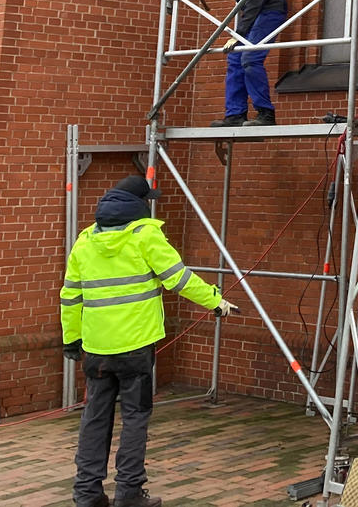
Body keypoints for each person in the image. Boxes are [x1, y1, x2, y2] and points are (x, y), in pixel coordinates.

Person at [60, 175, 239, 507]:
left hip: (96, 350)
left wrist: (71, 340)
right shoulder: (146, 236)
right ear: (139, 205)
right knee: (135, 419)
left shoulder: (84, 241)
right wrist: (216, 301)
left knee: (94, 419)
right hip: (136, 348)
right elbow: (179, 279)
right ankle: (128, 494)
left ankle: (86, 493)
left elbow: (70, 297)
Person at [185, 0, 287, 126]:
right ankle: (235, 114)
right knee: (234, 60)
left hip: (269, 11)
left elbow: (255, 0)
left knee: (250, 58)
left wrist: (238, 33)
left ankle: (265, 113)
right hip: (251, 12)